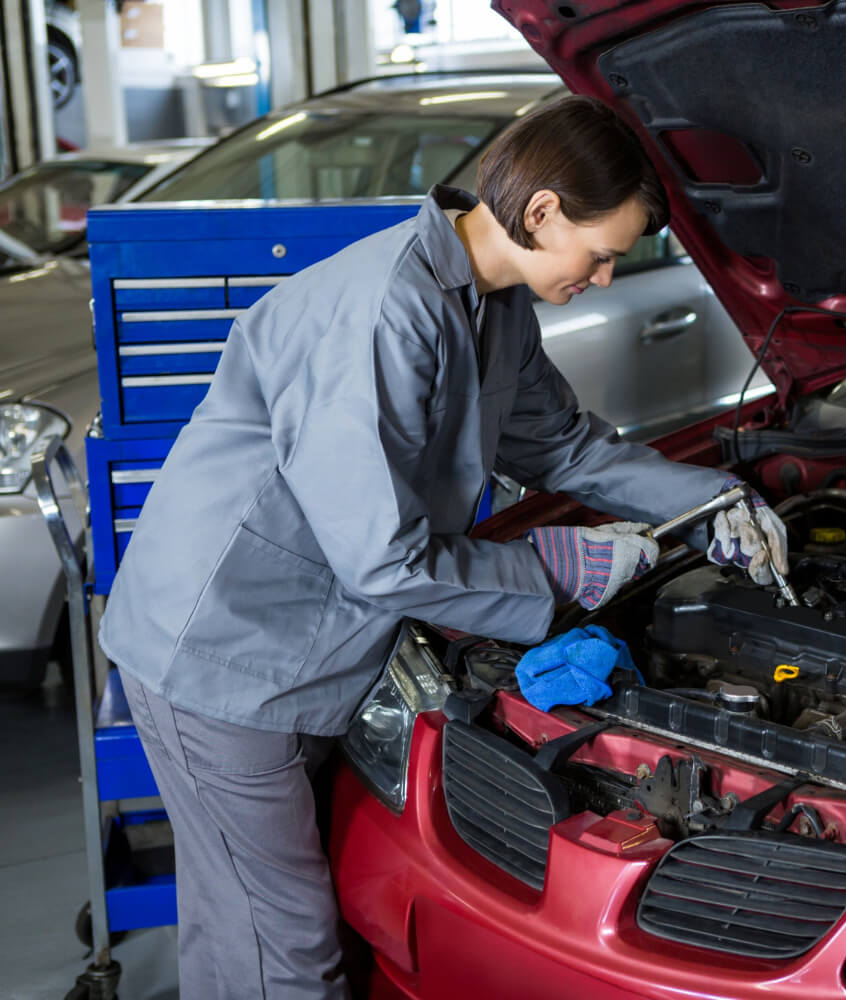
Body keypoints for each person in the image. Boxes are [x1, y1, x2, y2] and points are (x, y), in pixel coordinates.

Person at [97, 95, 789, 999]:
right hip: (228, 656)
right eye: (604, 253)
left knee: (243, 925)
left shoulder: (494, 308)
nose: (607, 277)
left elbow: (565, 446)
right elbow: (380, 558)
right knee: (286, 950)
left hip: (299, 646)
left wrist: (710, 498)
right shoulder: (387, 313)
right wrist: (556, 566)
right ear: (541, 212)